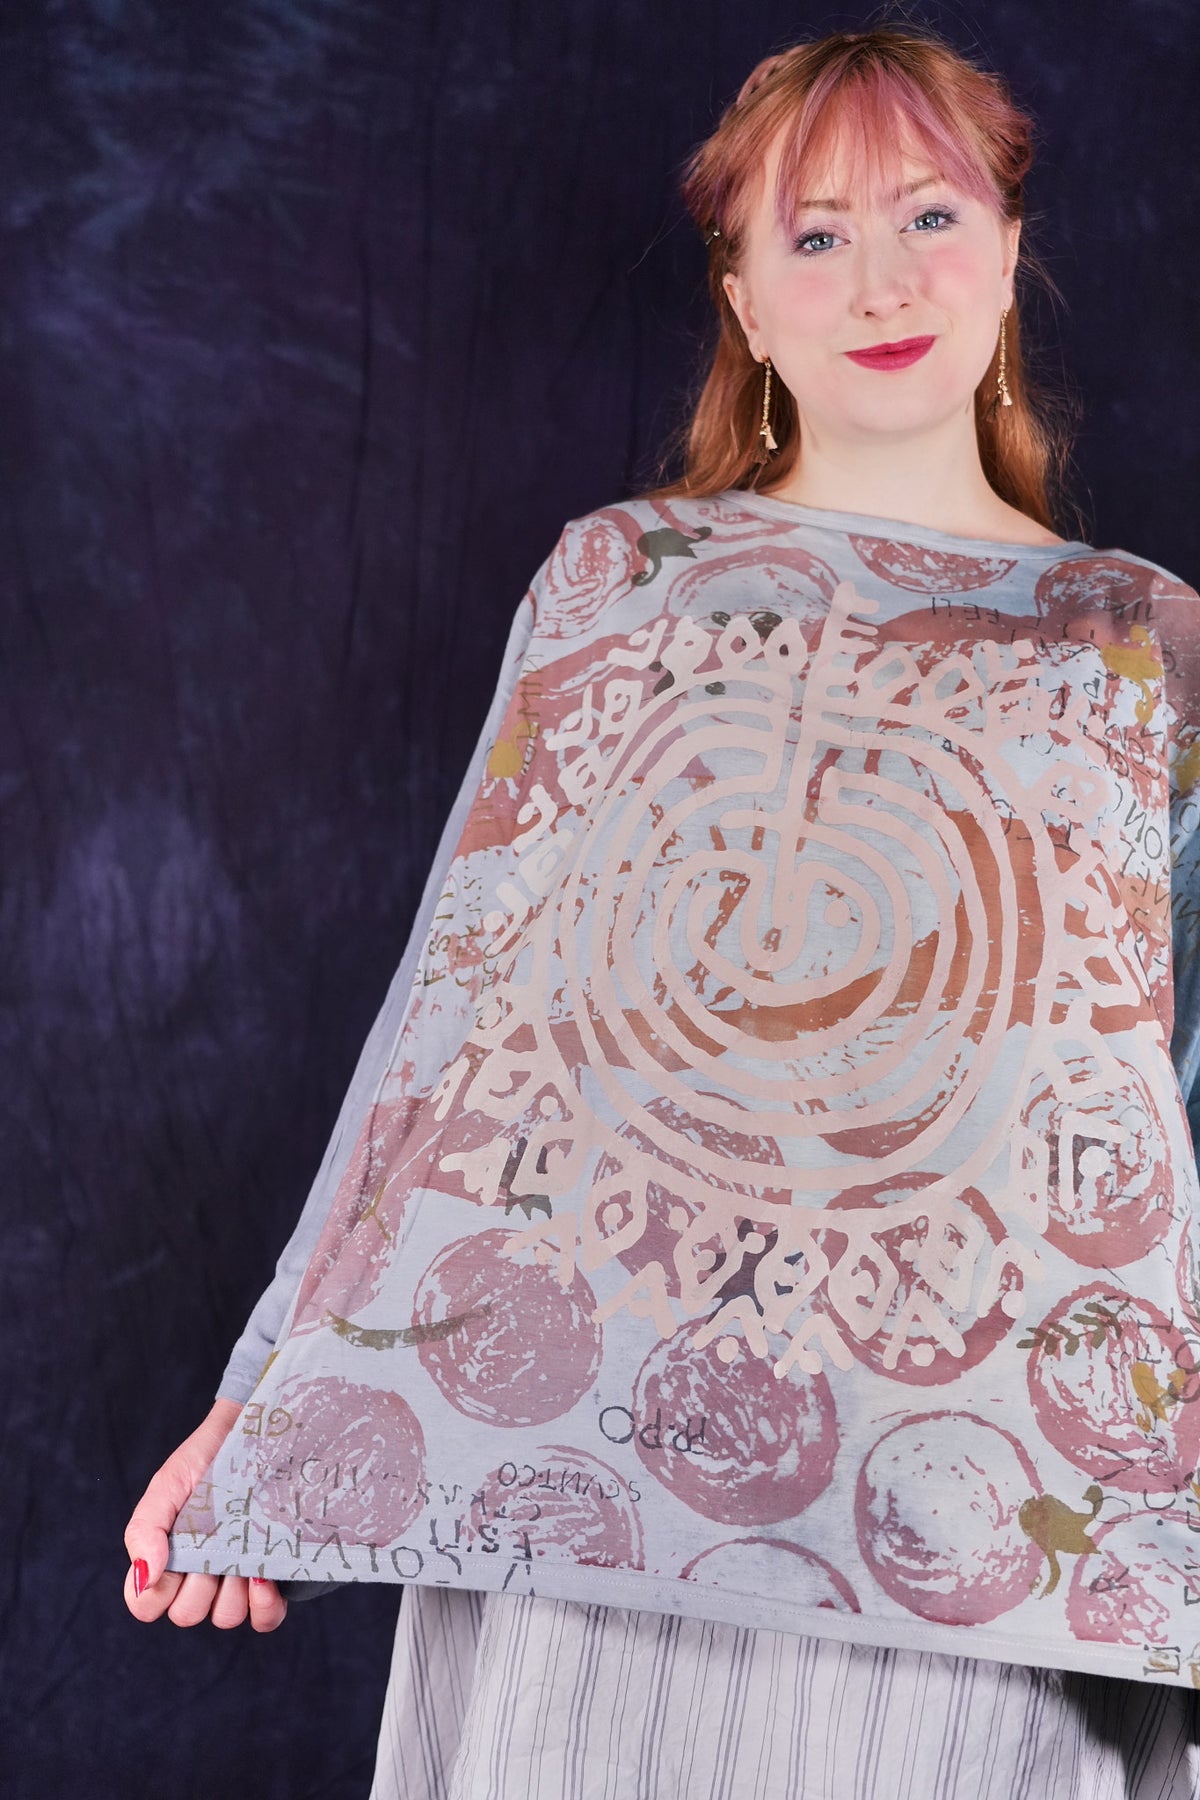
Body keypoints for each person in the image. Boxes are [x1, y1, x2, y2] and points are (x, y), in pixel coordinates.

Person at [125, 22, 1200, 1798]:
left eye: (930, 216)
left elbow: (1178, 1093)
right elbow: (446, 1027)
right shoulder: (617, 584)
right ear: (747, 302)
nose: (884, 280)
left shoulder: (1142, 643)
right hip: (591, 1500)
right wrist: (263, 1407)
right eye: (818, 234)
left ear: (1012, 253)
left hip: (983, 1544)